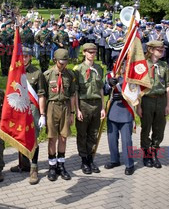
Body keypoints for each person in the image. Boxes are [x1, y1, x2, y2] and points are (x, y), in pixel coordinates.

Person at [10, 47, 47, 185]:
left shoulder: (37, 73)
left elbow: (42, 95)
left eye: (26, 56)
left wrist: (42, 114)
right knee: (20, 136)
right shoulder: (14, 71)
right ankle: (23, 164)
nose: (23, 58)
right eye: (21, 56)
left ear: (30, 57)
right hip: (19, 108)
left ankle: (34, 168)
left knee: (33, 139)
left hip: (32, 109)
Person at [42, 49, 77, 181]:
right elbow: (43, 96)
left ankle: (61, 165)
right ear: (55, 60)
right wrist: (43, 114)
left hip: (65, 107)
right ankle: (52, 166)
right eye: (61, 62)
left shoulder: (69, 75)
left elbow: (73, 94)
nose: (63, 65)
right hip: (51, 106)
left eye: (65, 62)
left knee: (63, 137)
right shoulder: (47, 75)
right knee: (52, 137)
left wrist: (72, 112)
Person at [136, 40, 169, 168]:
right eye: (158, 49)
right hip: (147, 100)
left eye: (162, 49)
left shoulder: (164, 65)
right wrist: (138, 106)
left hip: (161, 100)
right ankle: (146, 154)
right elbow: (138, 87)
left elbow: (167, 86)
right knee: (146, 128)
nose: (161, 51)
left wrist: (168, 105)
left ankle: (155, 152)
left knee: (159, 128)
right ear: (150, 50)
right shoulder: (142, 65)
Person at [73, 43, 106, 174]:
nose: (92, 54)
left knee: (93, 133)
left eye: (94, 52)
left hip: (97, 104)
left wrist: (103, 107)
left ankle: (91, 158)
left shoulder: (99, 68)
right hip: (84, 104)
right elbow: (75, 91)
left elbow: (101, 89)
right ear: (84, 53)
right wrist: (77, 109)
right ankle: (84, 160)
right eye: (90, 52)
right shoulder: (78, 69)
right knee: (82, 134)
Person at [104, 68, 135, 175]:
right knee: (111, 138)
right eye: (118, 63)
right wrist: (109, 84)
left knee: (126, 140)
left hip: (125, 111)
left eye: (123, 64)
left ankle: (129, 164)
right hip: (112, 110)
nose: (121, 67)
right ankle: (114, 160)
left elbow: (136, 93)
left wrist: (125, 96)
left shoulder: (131, 76)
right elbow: (104, 91)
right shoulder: (109, 75)